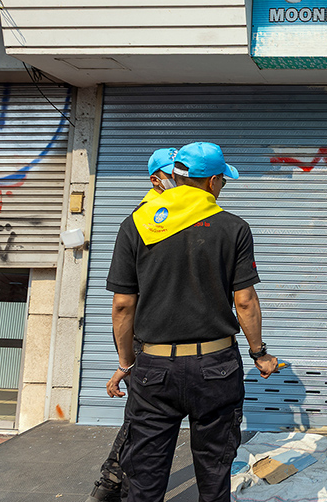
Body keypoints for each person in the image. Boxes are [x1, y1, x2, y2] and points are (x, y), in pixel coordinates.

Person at [105, 141, 277, 502]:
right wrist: (260, 353)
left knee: (144, 477)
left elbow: (122, 305)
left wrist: (126, 363)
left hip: (153, 367)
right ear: (213, 181)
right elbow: (244, 302)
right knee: (214, 475)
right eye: (223, 181)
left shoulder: (135, 224)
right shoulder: (233, 227)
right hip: (216, 367)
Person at [87, 146, 179, 502]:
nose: (181, 181)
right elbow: (125, 299)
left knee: (142, 416)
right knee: (142, 416)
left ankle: (111, 483)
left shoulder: (181, 213)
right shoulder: (146, 219)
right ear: (156, 180)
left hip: (164, 333)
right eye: (174, 174)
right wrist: (126, 359)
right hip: (150, 334)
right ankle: (110, 484)